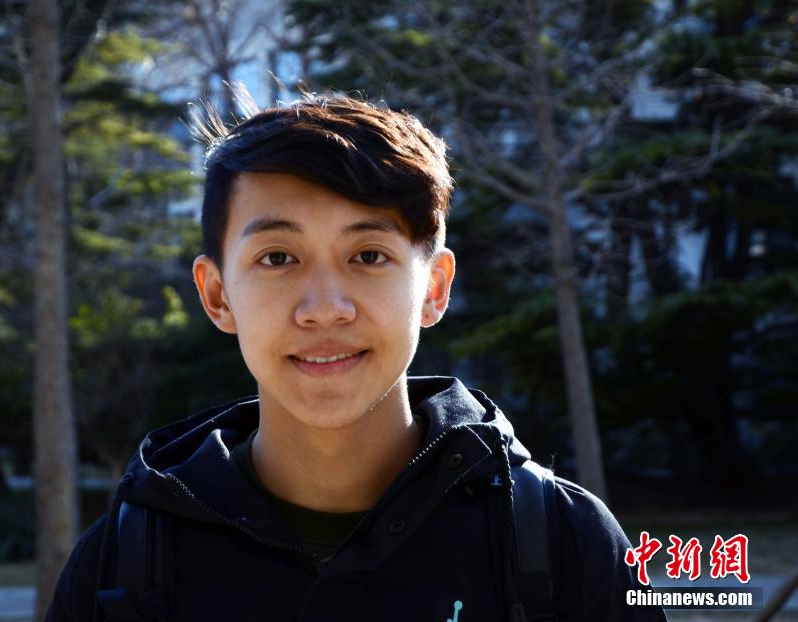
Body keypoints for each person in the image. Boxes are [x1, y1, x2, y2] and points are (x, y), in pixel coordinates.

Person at [46, 93, 665, 621]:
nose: (325, 309)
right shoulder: (124, 566)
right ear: (217, 295)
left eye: (368, 256)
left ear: (435, 288)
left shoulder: (558, 541)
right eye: (278, 258)